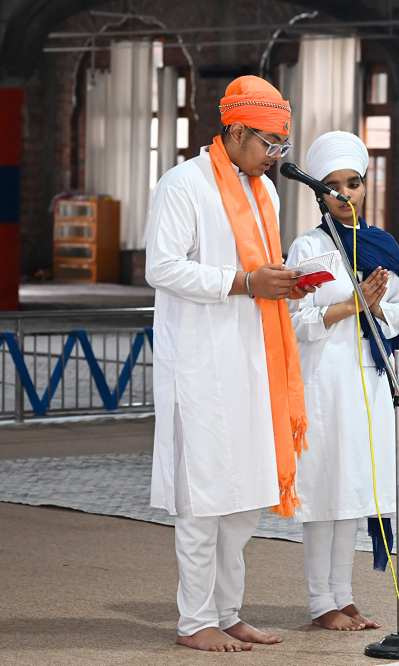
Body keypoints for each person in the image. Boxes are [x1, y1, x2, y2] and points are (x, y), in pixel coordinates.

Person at [145, 76, 315, 652]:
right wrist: (242, 282)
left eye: (281, 147)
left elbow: (261, 268)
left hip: (254, 363)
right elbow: (162, 268)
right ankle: (195, 621)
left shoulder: (263, 191)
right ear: (236, 130)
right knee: (203, 499)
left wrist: (282, 283)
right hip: (201, 367)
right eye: (269, 144)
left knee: (244, 498)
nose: (275, 157)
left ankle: (228, 611)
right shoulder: (184, 184)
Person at [284, 131, 399, 631]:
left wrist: (377, 306)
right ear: (319, 193)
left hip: (372, 383)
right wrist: (351, 304)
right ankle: (321, 602)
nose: (345, 194)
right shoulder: (308, 247)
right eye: (333, 186)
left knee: (355, 491)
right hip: (325, 383)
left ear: (365, 187)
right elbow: (295, 319)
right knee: (325, 493)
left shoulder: (382, 243)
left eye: (353, 183)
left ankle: (344, 594)